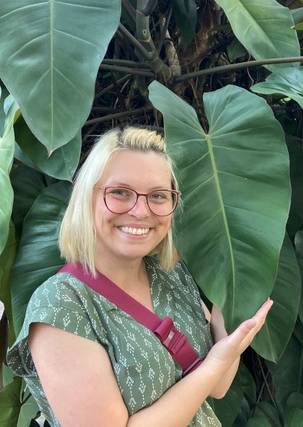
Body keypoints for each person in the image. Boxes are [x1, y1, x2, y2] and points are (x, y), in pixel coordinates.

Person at [6, 127, 273, 427]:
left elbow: (217, 385)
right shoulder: (61, 307)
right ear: (86, 198)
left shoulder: (170, 275)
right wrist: (215, 362)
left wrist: (229, 311)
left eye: (158, 196)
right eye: (120, 192)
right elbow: (212, 371)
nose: (141, 211)